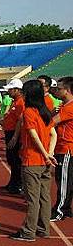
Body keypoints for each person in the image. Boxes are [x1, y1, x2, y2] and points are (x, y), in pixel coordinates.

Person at [10, 80, 57, 241]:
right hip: (44, 163)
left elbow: (32, 134)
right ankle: (44, 228)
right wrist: (49, 154)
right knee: (45, 197)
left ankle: (28, 231)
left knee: (32, 198)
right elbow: (53, 135)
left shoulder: (29, 111)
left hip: (32, 160)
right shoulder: (44, 112)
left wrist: (45, 154)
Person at [51, 77, 73, 221]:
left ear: (68, 90)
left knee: (63, 180)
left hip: (66, 148)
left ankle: (60, 210)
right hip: (63, 147)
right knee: (66, 180)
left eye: (59, 89)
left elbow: (52, 122)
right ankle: (66, 207)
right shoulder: (65, 106)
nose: (57, 91)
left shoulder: (70, 108)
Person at [3, 78, 26, 194]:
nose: (8, 92)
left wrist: (15, 137)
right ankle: (13, 182)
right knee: (11, 159)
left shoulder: (20, 102)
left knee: (15, 160)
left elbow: (20, 121)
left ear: (17, 90)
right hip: (9, 132)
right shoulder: (15, 101)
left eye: (10, 90)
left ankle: (17, 184)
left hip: (13, 133)